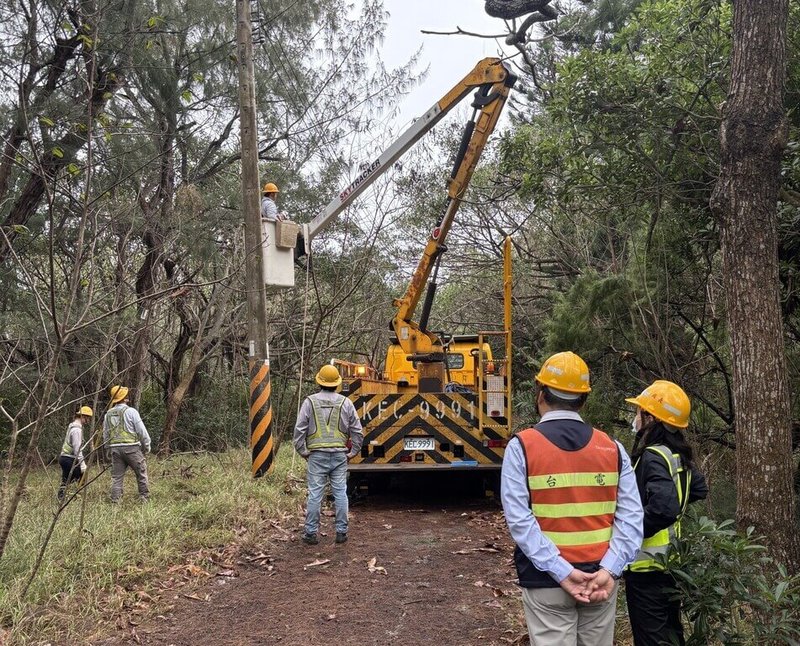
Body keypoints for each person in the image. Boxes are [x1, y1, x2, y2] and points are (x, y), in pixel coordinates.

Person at [501, 351, 643, 646]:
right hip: (600, 581)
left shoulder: (522, 447)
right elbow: (631, 518)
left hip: (546, 581)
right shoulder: (612, 448)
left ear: (540, 393)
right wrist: (609, 569)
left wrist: (562, 572)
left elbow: (519, 520)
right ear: (583, 399)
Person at [623, 380, 709, 646]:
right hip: (672, 563)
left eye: (639, 412)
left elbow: (664, 508)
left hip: (646, 568)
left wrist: (630, 531)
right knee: (671, 635)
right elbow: (697, 489)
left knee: (652, 639)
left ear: (651, 418)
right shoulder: (676, 454)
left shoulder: (652, 456)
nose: (635, 418)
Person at [293, 364, 363, 545]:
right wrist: (353, 451)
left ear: (319, 382)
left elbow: (299, 430)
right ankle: (341, 532)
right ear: (337, 383)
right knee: (340, 493)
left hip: (316, 456)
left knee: (315, 494)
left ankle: (310, 534)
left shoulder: (309, 402)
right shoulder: (345, 402)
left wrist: (303, 451)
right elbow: (357, 431)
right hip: (340, 455)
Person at [103, 385, 151, 503]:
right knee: (141, 472)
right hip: (132, 448)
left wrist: (107, 449)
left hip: (115, 450)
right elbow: (141, 431)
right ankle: (144, 497)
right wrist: (147, 445)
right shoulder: (131, 412)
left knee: (117, 477)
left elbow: (105, 434)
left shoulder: (108, 414)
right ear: (124, 397)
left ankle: (115, 500)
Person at [58, 406, 93, 502]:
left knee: (66, 479)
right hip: (69, 459)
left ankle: (61, 497)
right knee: (81, 475)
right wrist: (82, 465)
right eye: (88, 418)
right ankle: (78, 496)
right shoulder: (76, 430)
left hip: (64, 458)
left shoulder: (72, 426)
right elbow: (77, 449)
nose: (88, 421)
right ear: (83, 416)